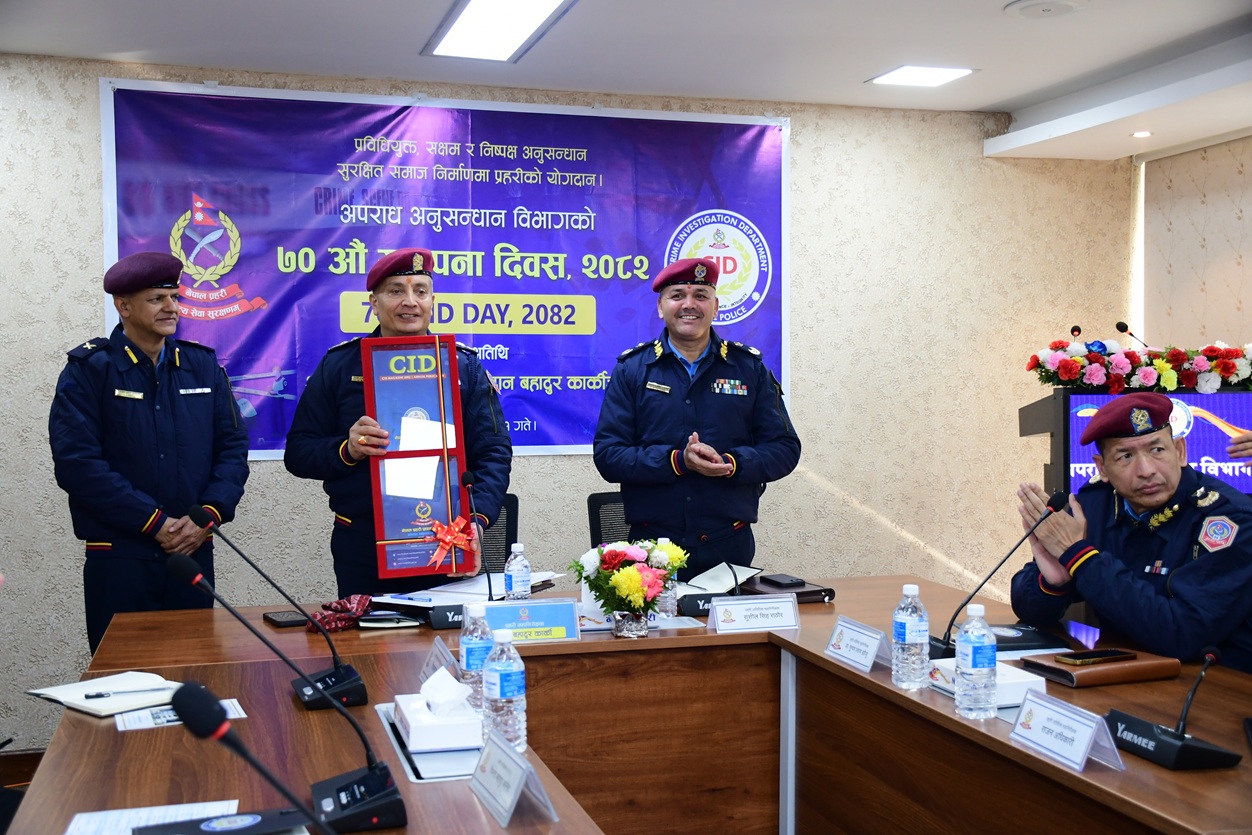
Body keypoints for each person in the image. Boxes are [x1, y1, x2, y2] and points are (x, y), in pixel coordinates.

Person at [49, 252, 250, 652]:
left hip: (191, 553)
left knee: (191, 671)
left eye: (174, 297)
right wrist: (153, 521)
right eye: (157, 299)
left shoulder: (201, 366)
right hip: (121, 558)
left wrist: (208, 514)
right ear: (123, 306)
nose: (171, 307)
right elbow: (77, 464)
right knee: (126, 677)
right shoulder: (90, 370)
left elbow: (232, 448)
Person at [285, 247, 512, 598]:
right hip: (363, 548)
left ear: (433, 301)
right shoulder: (339, 366)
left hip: (446, 542)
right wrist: (348, 450)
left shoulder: (463, 367)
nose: (410, 301)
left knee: (446, 634)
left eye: (420, 291)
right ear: (374, 303)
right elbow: (299, 453)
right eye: (396, 291)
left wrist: (476, 521)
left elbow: (494, 453)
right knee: (367, 635)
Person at [1012, 392, 1252, 672]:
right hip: (1122, 674)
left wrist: (1081, 559)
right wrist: (1052, 584)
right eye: (1126, 456)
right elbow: (1027, 608)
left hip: (1216, 683)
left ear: (1180, 451)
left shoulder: (1229, 519)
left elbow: (1184, 633)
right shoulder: (1093, 506)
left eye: (1157, 450)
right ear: (1102, 468)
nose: (1146, 470)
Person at [593, 257, 801, 579]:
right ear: (660, 307)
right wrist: (677, 461)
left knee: (728, 616)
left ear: (715, 307)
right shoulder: (632, 370)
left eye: (701, 295)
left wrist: (733, 463)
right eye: (677, 295)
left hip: (728, 544)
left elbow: (785, 448)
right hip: (652, 548)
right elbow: (609, 455)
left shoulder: (749, 369)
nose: (689, 304)